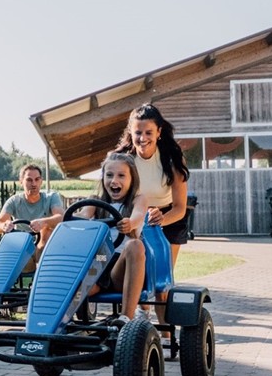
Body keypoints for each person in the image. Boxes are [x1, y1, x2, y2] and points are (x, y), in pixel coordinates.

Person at [116, 102, 190, 324]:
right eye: (138, 132)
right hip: (135, 217)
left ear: (159, 132)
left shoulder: (172, 158)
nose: (143, 138)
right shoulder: (123, 158)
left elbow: (180, 207)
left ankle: (166, 336)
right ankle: (141, 315)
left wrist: (161, 219)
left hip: (168, 217)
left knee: (160, 285)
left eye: (148, 132)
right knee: (140, 278)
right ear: (131, 132)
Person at [76, 152, 148, 323]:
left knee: (135, 245)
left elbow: (138, 215)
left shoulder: (138, 199)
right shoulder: (95, 201)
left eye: (121, 175)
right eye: (109, 175)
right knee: (75, 276)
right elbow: (83, 215)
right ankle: (61, 322)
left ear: (132, 179)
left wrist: (130, 223)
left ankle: (126, 318)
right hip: (100, 262)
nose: (114, 180)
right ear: (103, 178)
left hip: (122, 266)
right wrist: (65, 219)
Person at [0, 164, 64, 265]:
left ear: (41, 181)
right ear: (21, 182)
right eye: (29, 180)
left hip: (46, 248)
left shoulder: (51, 197)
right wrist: (4, 226)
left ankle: (41, 267)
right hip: (23, 249)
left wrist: (43, 222)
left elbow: (61, 217)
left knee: (46, 231)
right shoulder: (14, 201)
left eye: (37, 179)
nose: (34, 184)